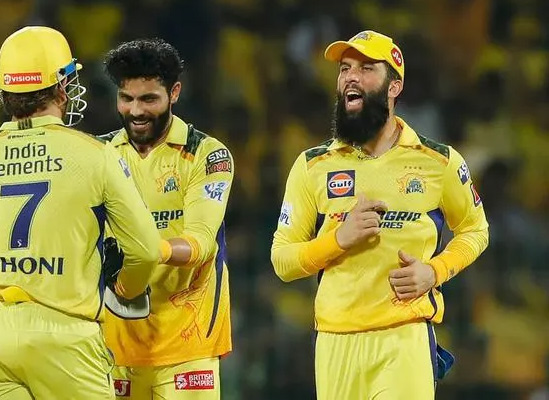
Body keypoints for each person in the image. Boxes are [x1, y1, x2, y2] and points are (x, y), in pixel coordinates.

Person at [0, 26, 161, 400]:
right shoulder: (95, 156)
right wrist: (126, 290)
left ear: (4, 89)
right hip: (66, 335)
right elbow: (146, 250)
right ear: (62, 87)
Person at [271, 30, 489, 399]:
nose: (350, 77)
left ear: (394, 87)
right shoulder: (312, 166)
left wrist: (434, 271)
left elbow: (475, 230)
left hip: (404, 335)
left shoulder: (439, 162)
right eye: (345, 69)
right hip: (335, 341)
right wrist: (338, 239)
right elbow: (283, 260)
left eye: (366, 68)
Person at [100, 38, 234, 399]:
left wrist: (146, 251)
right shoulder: (99, 155)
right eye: (126, 98)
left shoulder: (207, 154)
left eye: (148, 99)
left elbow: (201, 242)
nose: (136, 111)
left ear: (174, 92)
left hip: (189, 350)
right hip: (113, 349)